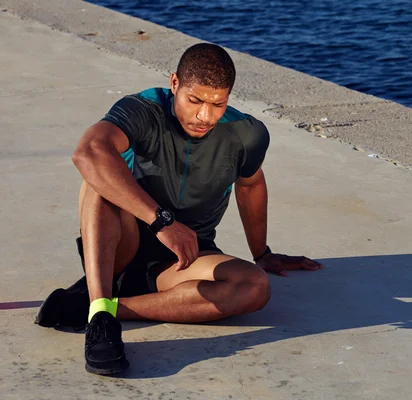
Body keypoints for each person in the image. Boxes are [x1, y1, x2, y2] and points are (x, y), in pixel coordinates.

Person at [35, 43, 323, 376]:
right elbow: (87, 151)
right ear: (174, 84)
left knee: (254, 287)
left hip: (181, 261)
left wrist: (262, 253)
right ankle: (101, 324)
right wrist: (162, 222)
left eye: (218, 104)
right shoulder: (144, 109)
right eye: (195, 100)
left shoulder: (246, 134)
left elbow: (251, 184)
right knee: (98, 182)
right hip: (120, 246)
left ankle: (103, 308)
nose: (205, 116)